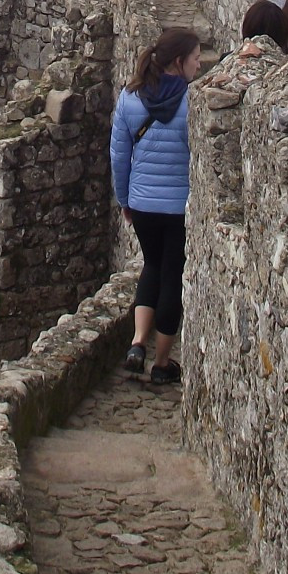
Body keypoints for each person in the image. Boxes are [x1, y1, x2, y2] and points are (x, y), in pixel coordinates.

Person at [110, 26, 200, 386]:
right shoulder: (192, 101)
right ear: (179, 62)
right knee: (171, 277)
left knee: (151, 266)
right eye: (195, 59)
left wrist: (124, 200)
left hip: (143, 203)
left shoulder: (129, 98)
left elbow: (119, 156)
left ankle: (136, 343)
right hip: (178, 208)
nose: (198, 65)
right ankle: (162, 363)